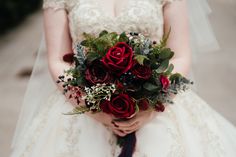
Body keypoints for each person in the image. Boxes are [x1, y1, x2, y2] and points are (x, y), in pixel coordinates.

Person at [10, 0, 236, 156]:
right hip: (82, 105)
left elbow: (180, 55)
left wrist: (150, 106)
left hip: (155, 103)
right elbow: (59, 60)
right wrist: (92, 108)